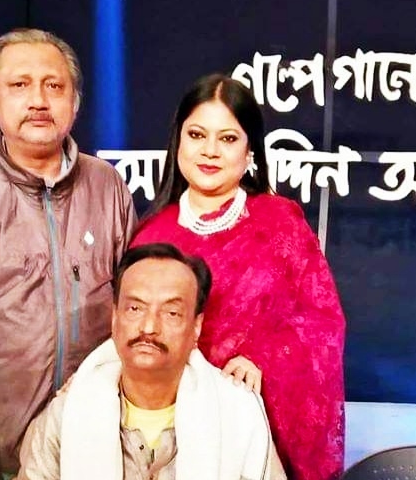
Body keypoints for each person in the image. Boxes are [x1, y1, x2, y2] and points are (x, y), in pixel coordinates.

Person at [0, 28, 137, 479]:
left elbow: (133, 306)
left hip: (97, 436)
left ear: (75, 102)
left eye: (54, 86)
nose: (38, 100)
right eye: (19, 85)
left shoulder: (108, 187)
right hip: (3, 447)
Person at [131, 74, 346, 480]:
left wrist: (264, 360)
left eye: (228, 139)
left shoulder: (280, 224)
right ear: (178, 141)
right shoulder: (151, 237)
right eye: (197, 135)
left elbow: (322, 323)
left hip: (262, 432)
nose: (210, 151)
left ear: (250, 151)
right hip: (174, 437)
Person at [17, 243, 286, 480]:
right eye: (135, 308)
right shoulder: (70, 409)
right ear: (115, 318)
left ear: (196, 326)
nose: (149, 327)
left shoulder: (238, 413)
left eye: (171, 312)